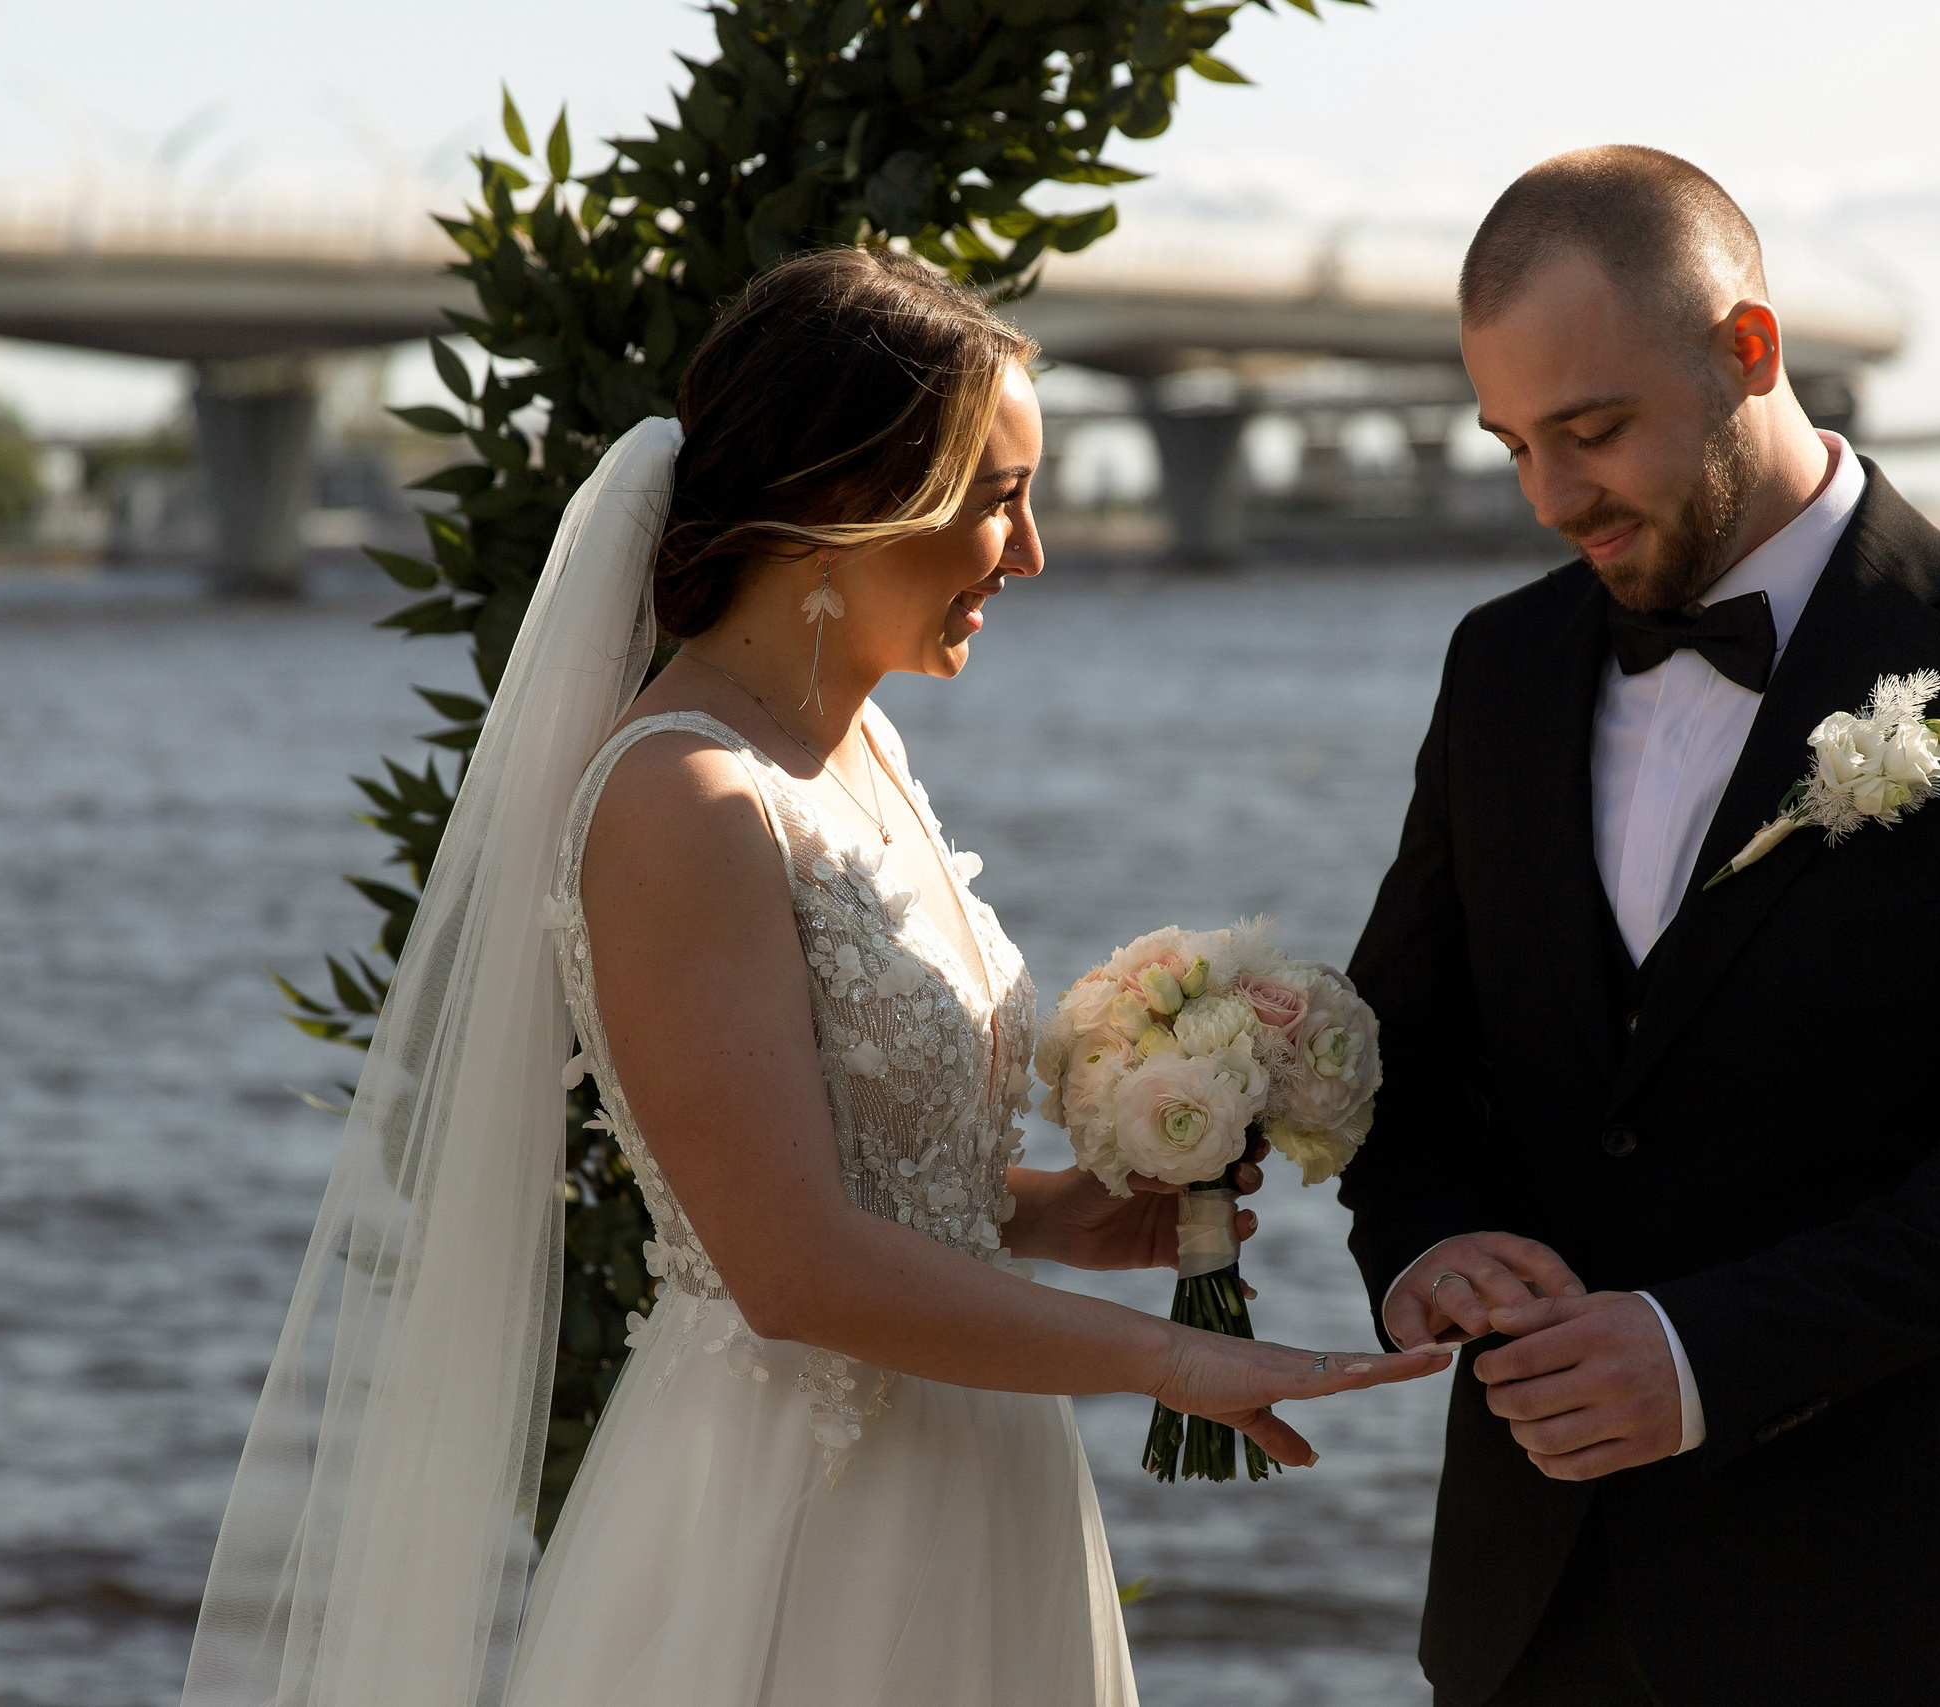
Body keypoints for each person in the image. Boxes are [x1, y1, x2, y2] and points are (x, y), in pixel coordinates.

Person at [180, 247, 1448, 1707]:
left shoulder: (859, 752)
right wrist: (1169, 1364)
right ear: (847, 506)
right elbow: (785, 1267)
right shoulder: (688, 798)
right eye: (995, 498)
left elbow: (868, 1182)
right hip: (793, 1511)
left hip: (978, 1469)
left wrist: (1070, 1219)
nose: (1028, 552)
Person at [1340, 146, 1940, 1707]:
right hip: (1534, 1607)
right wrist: (1427, 1243)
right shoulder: (1499, 663)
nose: (1552, 496)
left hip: (1884, 1610)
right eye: (1514, 444)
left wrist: (1701, 1355)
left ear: (1751, 351)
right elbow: (1407, 1051)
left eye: (1592, 431)